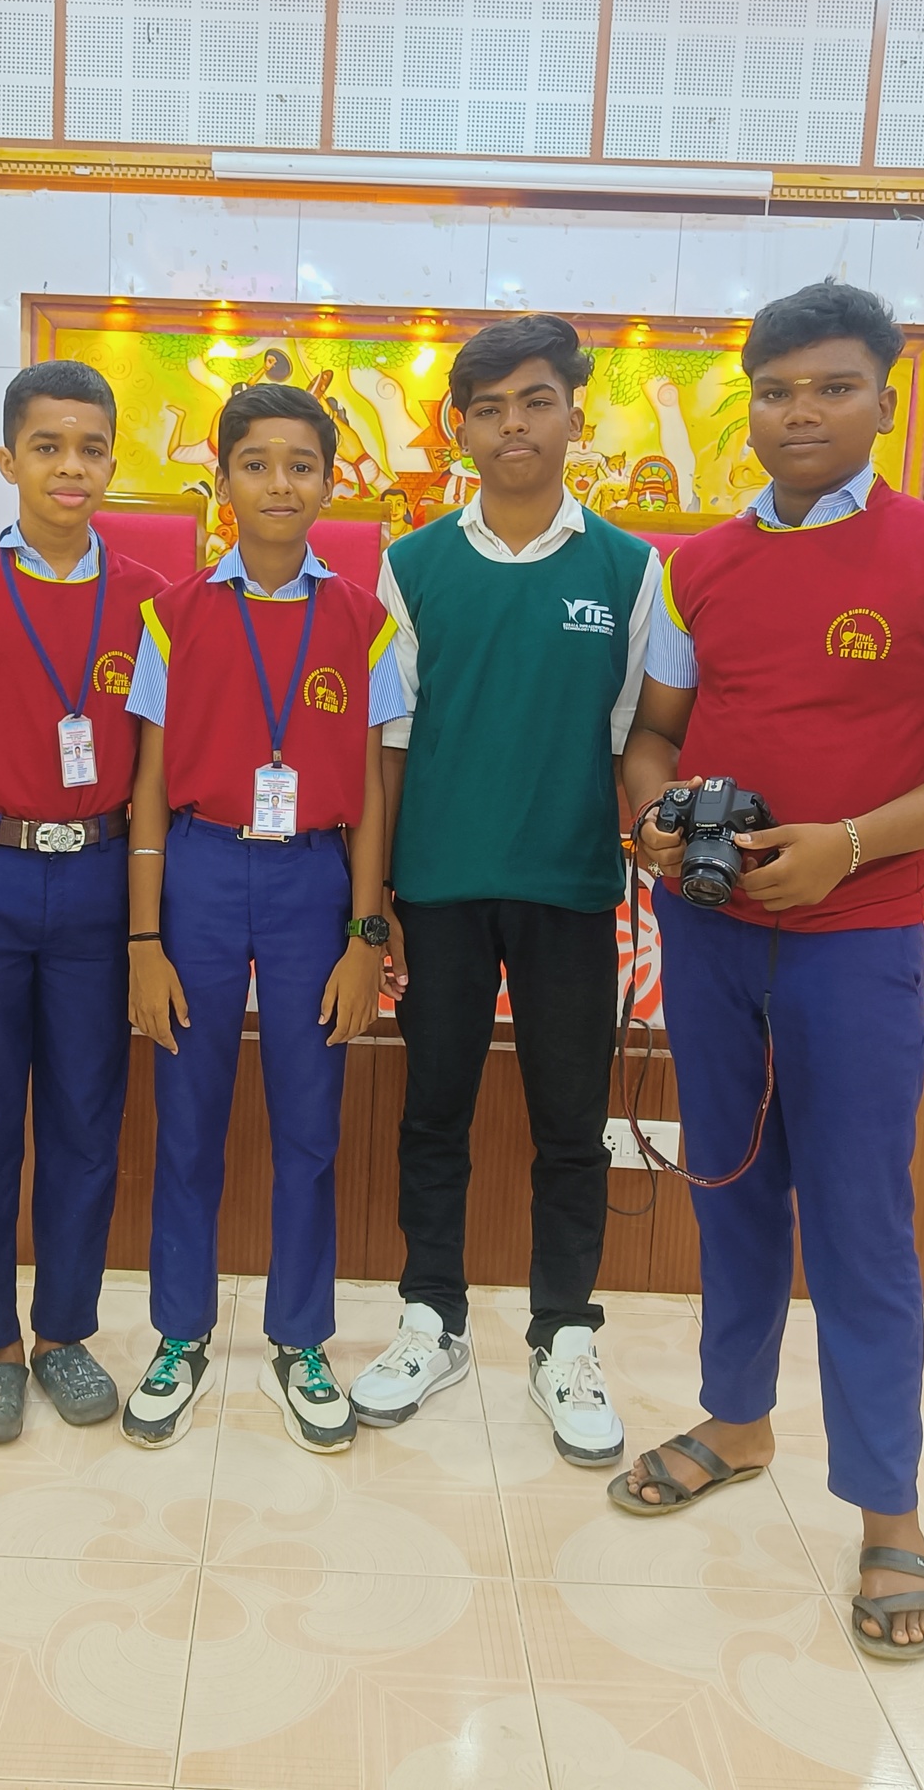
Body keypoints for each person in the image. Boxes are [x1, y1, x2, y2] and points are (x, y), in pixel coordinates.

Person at [614, 280, 924, 1661]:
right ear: (747, 405)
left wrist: (847, 844)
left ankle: (888, 1509)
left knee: (859, 1220)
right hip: (708, 930)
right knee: (731, 1183)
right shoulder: (694, 564)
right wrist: (649, 816)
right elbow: (656, 733)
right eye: (776, 389)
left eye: (832, 386)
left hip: (855, 936)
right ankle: (737, 1420)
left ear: (883, 399)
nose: (800, 411)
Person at [349, 314, 660, 1470]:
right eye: (488, 408)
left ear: (576, 415)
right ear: (460, 428)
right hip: (439, 886)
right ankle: (430, 1319)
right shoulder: (413, 565)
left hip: (568, 887)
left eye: (535, 402)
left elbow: (636, 738)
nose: (512, 425)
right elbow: (388, 746)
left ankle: (563, 1333)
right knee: (432, 1112)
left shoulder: (628, 569)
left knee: (569, 1125)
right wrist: (378, 900)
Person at [119, 384, 404, 1453]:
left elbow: (373, 792)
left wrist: (365, 937)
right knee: (186, 1119)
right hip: (197, 871)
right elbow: (148, 788)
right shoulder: (174, 614)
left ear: (330, 481)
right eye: (256, 463)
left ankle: (301, 1337)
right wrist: (144, 940)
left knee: (309, 1126)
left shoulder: (366, 621)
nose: (279, 484)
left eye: (301, 465)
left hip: (311, 883)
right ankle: (179, 1332)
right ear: (223, 479)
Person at [0, 359, 169, 1446]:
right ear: (9, 460)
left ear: (112, 461)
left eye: (90, 448)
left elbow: (153, 769)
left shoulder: (149, 600)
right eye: (47, 446)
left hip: (96, 877)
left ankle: (61, 1333)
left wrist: (142, 924)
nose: (70, 467)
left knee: (87, 1121)